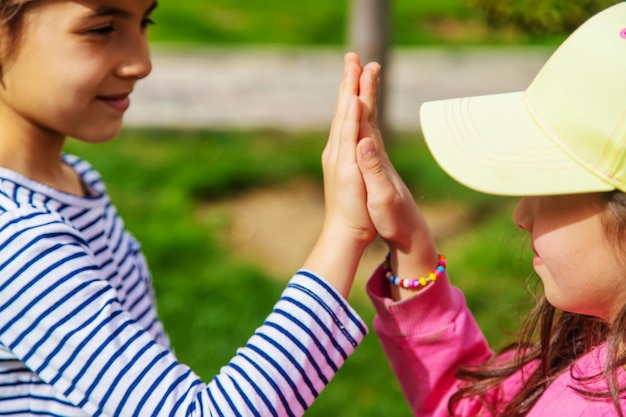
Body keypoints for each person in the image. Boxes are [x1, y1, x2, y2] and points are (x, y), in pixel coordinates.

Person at [0, 0, 384, 415]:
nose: (141, 62)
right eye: (102, 28)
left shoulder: (72, 181)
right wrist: (345, 231)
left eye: (145, 21)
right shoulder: (18, 238)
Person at [349, 2, 626, 416]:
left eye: (548, 190)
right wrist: (411, 243)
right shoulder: (596, 352)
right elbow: (483, 406)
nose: (521, 216)